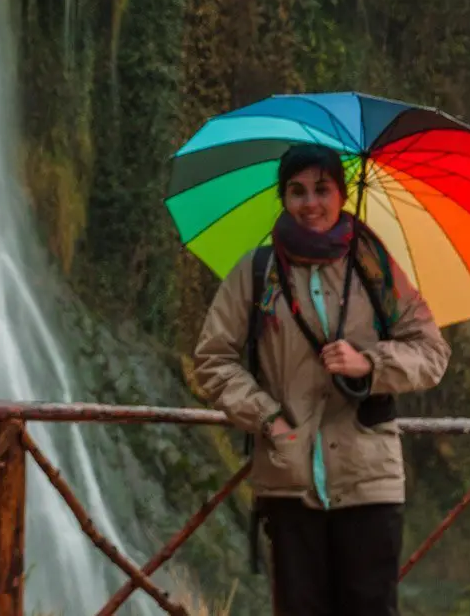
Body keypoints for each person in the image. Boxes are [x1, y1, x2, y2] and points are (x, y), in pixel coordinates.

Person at [193, 143, 451, 616]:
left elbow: (431, 353)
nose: (310, 202)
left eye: (321, 189)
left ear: (343, 194)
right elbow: (212, 358)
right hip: (288, 476)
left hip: (368, 477)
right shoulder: (257, 272)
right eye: (296, 191)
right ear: (283, 198)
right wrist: (267, 418)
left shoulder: (375, 269)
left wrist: (370, 363)